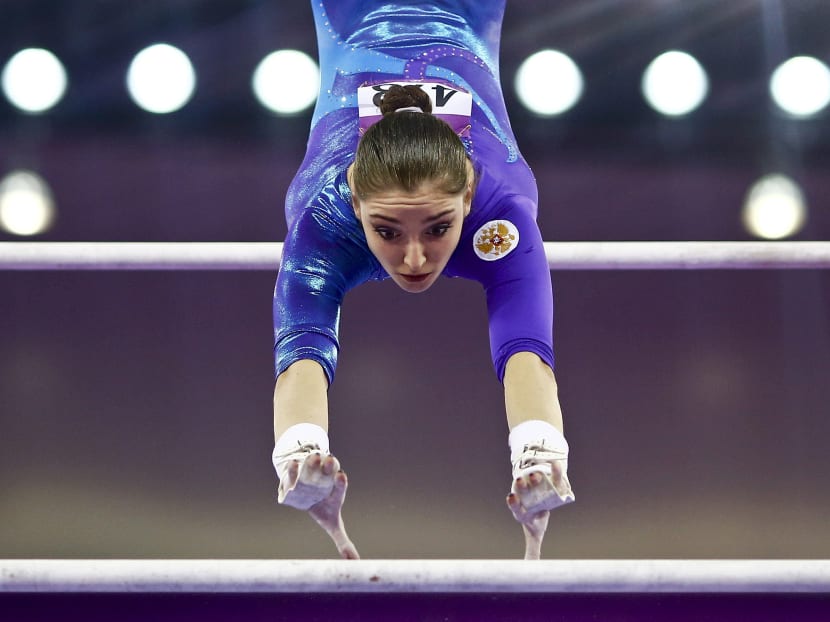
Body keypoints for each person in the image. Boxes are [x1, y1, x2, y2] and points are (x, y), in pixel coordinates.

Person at [272, 0, 574, 560]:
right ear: (356, 204)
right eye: (387, 231)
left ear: (468, 199)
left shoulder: (499, 215)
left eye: (437, 228)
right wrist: (300, 454)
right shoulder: (326, 218)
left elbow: (526, 351)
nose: (414, 258)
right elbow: (302, 353)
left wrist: (540, 458)